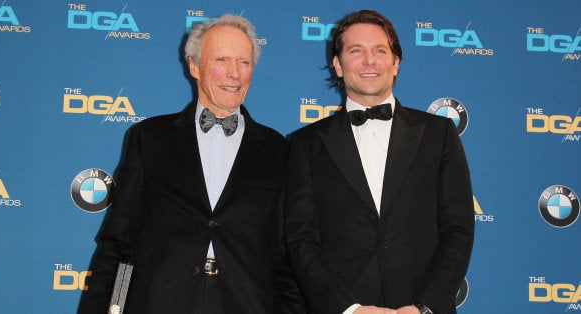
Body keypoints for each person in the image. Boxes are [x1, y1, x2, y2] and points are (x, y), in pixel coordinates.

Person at [78, 14, 303, 314]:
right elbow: (119, 244)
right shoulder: (149, 139)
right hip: (160, 302)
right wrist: (109, 309)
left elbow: (284, 257)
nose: (234, 74)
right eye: (222, 59)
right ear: (194, 65)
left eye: (244, 62)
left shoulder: (278, 150)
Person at [285, 10, 474, 314]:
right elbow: (301, 242)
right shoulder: (305, 144)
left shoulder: (439, 134)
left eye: (379, 50)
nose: (369, 60)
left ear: (396, 63)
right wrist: (349, 309)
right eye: (356, 51)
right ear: (338, 65)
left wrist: (423, 308)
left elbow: (458, 229)